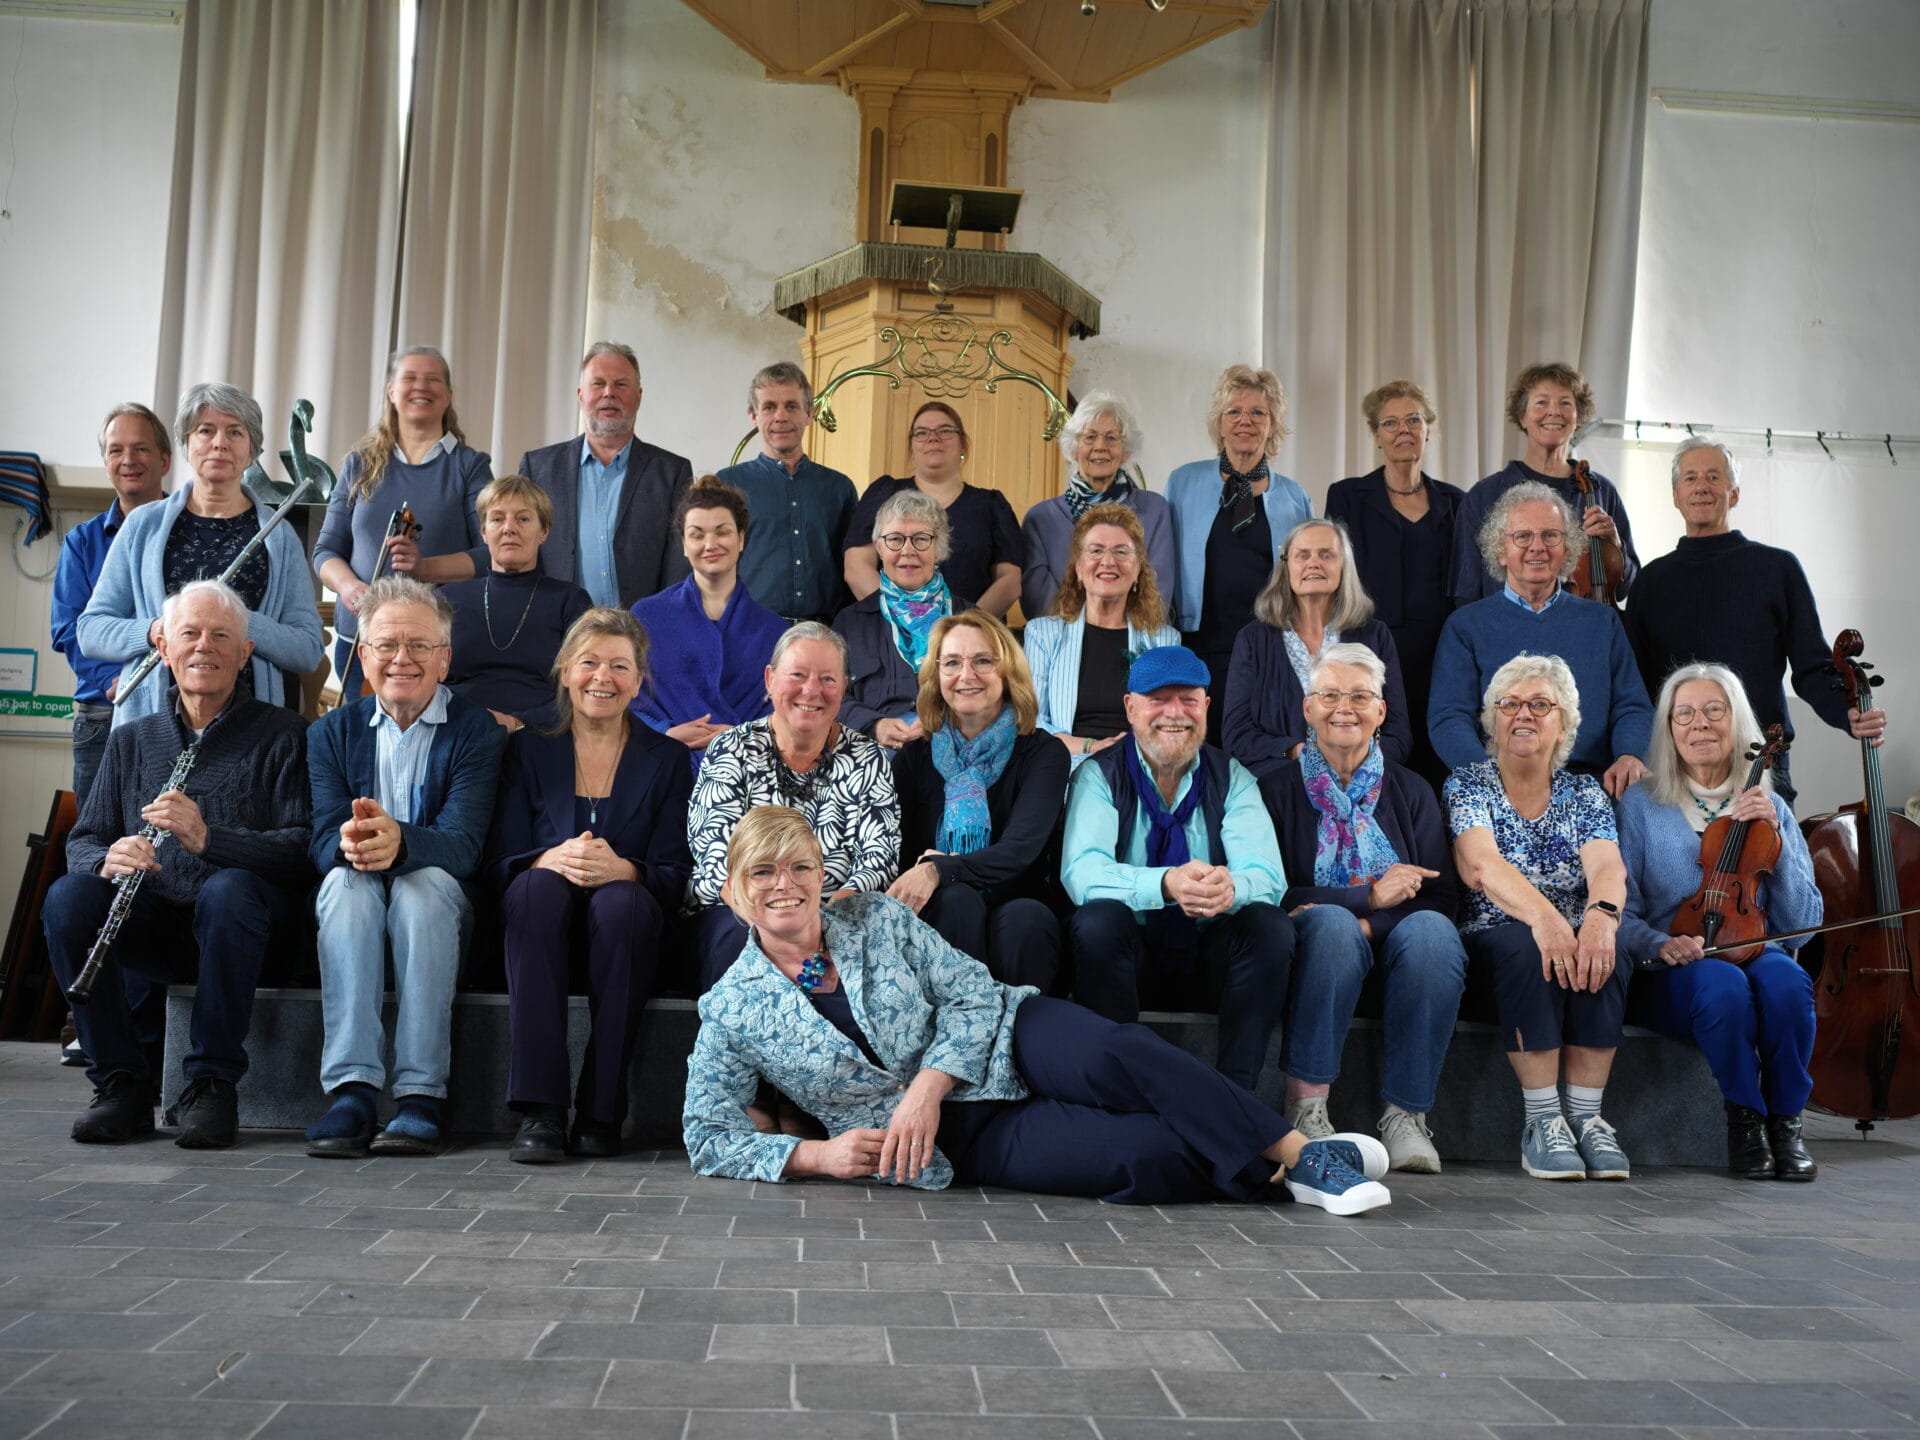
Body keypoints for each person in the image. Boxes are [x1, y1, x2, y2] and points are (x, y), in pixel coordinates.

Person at [683, 806, 1393, 1213]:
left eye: (801, 866)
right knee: (1137, 1157)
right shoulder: (731, 1011)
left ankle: (1309, 1158)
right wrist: (818, 1156)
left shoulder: (873, 918)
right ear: (737, 893)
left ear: (820, 874)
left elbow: (968, 988)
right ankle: (1281, 1173)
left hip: (1006, 1034)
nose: (787, 885)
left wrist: (930, 1085)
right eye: (765, 873)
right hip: (956, 1138)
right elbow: (707, 1135)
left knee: (1122, 1054)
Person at [43, 581, 311, 1149]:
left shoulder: (284, 733)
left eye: (221, 636)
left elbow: (299, 849)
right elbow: (84, 840)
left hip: (251, 931)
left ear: (245, 653)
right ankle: (121, 1081)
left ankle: (211, 1085)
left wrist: (209, 838)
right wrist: (106, 859)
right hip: (162, 928)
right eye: (189, 633)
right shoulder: (132, 739)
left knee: (230, 890)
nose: (203, 647)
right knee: (68, 897)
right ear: (163, 647)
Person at [304, 577, 507, 1158]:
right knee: (344, 884)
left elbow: (465, 845)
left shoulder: (476, 731)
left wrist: (399, 843)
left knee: (420, 888)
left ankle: (420, 1094)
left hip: (443, 906)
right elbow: (319, 840)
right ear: (362, 655)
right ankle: (352, 1090)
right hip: (358, 891)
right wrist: (351, 843)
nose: (402, 659)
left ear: (444, 659)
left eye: (420, 646)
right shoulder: (330, 733)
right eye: (387, 644)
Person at [489, 609, 694, 1163]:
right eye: (589, 662)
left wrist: (626, 870)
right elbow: (501, 859)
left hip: (629, 922)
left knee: (623, 902)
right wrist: (548, 859)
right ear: (564, 671)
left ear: (638, 680)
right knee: (536, 891)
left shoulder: (670, 759)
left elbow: (676, 874)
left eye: (619, 666)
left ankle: (602, 1111)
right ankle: (542, 1110)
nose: (602, 677)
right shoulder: (527, 747)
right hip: (541, 914)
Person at [1256, 644, 1466, 1172]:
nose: (1343, 707)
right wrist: (1364, 899)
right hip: (1316, 950)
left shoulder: (1412, 791)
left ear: (1381, 711)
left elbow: (1440, 896)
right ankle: (1307, 1110)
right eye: (1328, 694)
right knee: (1330, 924)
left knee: (1435, 934)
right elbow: (1268, 890)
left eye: (1359, 696)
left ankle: (1406, 1119)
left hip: (1400, 948)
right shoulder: (1273, 790)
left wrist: (1370, 923)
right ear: (1307, 709)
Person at [1617, 663, 1821, 1181]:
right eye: (1683, 714)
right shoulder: (1641, 805)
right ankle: (1745, 1121)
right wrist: (1661, 944)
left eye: (1714, 711)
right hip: (1673, 969)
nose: (1699, 725)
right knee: (1722, 983)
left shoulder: (1767, 805)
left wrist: (1777, 834)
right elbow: (1622, 910)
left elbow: (1802, 925)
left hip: (1757, 949)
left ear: (1738, 724)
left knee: (1788, 982)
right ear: (1668, 730)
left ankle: (1787, 1121)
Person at [1061, 645, 1293, 1093]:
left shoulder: (1233, 775)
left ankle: (1236, 1095)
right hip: (1127, 962)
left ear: (1206, 707)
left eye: (1188, 699)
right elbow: (1082, 872)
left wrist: (1231, 887)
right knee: (1097, 919)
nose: (1175, 713)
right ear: (1130, 708)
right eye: (1157, 699)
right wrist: (1165, 883)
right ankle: (1116, 1090)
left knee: (1268, 923)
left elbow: (1267, 875)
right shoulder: (1097, 775)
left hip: (1209, 958)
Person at [1447, 654, 1632, 1181]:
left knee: (1606, 953)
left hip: (1571, 937)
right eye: (1509, 704)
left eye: (1540, 705)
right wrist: (1548, 920)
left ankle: (1588, 1119)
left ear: (1564, 724)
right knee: (1528, 948)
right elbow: (1482, 865)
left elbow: (1607, 865)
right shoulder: (1468, 784)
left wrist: (1599, 918)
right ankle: (1542, 1123)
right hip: (1495, 938)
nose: (1522, 715)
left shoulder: (1584, 792)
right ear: (1492, 720)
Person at [1622, 440, 1887, 805]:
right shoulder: (1650, 582)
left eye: (1714, 477)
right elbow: (1633, 687)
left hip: (1760, 764)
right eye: (1690, 478)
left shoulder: (1777, 569)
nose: (1701, 486)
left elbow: (1812, 666)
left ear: (1734, 494)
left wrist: (1848, 713)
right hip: (1675, 772)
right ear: (1675, 496)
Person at [79, 383, 325, 726]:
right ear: (186, 443)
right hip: (153, 724)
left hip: (250, 730)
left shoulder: (280, 537)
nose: (219, 442)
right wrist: (156, 630)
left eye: (235, 432)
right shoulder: (142, 527)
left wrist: (238, 624)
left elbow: (308, 649)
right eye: (205, 430)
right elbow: (91, 630)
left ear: (252, 448)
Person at [685, 623, 899, 991]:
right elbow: (714, 852)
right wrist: (775, 921)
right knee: (745, 948)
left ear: (844, 687)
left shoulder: (868, 758)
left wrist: (820, 923)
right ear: (770, 679)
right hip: (740, 910)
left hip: (835, 913)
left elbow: (878, 858)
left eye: (827, 679)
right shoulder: (731, 750)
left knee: (851, 955)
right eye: (797, 675)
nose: (811, 690)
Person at [1429, 482, 1651, 797]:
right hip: (1497, 783)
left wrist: (1630, 753)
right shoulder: (1465, 626)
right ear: (1500, 551)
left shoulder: (1603, 622)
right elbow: (1448, 717)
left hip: (1589, 783)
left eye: (1550, 535)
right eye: (1522, 536)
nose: (1537, 547)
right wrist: (1488, 776)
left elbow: (1632, 707)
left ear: (1567, 549)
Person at [890, 613, 1070, 992]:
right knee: (957, 901)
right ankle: (960, 1038)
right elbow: (903, 854)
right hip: (945, 910)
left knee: (1026, 919)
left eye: (983, 661)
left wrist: (940, 868)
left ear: (1008, 672)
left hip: (1018, 901)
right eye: (952, 662)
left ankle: (1023, 1042)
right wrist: (940, 877)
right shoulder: (914, 757)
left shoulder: (1042, 753)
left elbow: (1019, 850)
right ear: (936, 676)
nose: (966, 675)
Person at [312, 345, 494, 691]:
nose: (420, 386)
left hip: (437, 646)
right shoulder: (359, 464)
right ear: (391, 392)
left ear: (448, 395)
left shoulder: (470, 467)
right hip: (364, 642)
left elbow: (490, 555)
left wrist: (424, 568)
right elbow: (326, 551)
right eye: (409, 378)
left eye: (432, 380)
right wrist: (349, 587)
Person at [1324, 380, 1467, 783]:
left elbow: (1466, 584)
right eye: (1390, 423)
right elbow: (1336, 581)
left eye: (1413, 420)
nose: (1403, 430)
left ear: (1428, 429)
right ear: (1376, 434)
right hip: (1368, 648)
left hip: (1440, 653)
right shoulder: (1347, 496)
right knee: (1379, 753)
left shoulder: (1456, 502)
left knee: (1435, 757)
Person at [1164, 365, 1313, 739]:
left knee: (1258, 745)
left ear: (1272, 424)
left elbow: (1308, 581)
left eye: (1258, 412)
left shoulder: (1295, 497)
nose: (1245, 421)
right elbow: (1162, 564)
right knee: (1200, 747)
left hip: (1270, 648)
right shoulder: (1183, 482)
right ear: (1219, 422)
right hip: (1199, 644)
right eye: (1234, 411)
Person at [1223, 518, 1413, 779]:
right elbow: (1236, 735)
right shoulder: (1253, 639)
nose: (1314, 563)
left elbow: (1398, 735)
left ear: (1344, 566)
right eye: (1303, 555)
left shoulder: (1375, 635)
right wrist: (1297, 752)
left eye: (1327, 555)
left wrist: (1353, 767)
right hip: (1277, 781)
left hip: (1363, 781)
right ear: (1286, 566)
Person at [53, 403, 172, 810]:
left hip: (177, 715)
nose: (128, 460)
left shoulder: (192, 534)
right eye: (116, 450)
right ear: (105, 463)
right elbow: (69, 630)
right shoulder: (81, 543)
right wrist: (114, 678)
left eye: (140, 449)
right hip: (102, 717)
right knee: (98, 847)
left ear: (165, 460)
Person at [517, 342, 694, 609]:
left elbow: (677, 566)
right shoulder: (538, 468)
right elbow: (522, 553)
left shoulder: (672, 473)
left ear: (639, 396)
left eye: (621, 384)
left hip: (642, 633)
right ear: (580, 395)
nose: (609, 393)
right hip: (557, 630)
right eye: (598, 384)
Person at [1450, 361, 1639, 604]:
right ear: (1522, 416)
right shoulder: (1484, 495)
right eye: (1541, 402)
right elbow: (1465, 595)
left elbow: (1627, 588)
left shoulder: (1602, 491)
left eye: (1565, 403)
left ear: (1578, 417)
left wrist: (1616, 544)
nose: (1554, 411)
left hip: (1585, 634)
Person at [629, 478, 786, 766]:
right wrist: (665, 733)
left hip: (748, 771)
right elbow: (625, 700)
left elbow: (787, 715)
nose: (710, 544)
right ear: (685, 545)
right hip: (662, 766)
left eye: (722, 532)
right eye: (697, 535)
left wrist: (741, 737)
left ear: (740, 539)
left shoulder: (776, 631)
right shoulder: (646, 616)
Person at [1024, 504, 1180, 769]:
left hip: (1140, 765)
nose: (1108, 561)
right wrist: (1092, 747)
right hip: (1065, 764)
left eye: (1121, 552)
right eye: (1096, 550)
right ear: (1078, 569)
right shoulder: (1042, 634)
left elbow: (1169, 723)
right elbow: (1031, 721)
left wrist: (1129, 750)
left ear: (1138, 572)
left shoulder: (1165, 641)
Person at [842, 402, 1021, 618]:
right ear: (911, 447)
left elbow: (1009, 581)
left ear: (963, 444)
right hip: (892, 636)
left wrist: (965, 628)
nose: (932, 438)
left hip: (972, 641)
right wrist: (902, 620)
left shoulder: (991, 504)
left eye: (945, 431)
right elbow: (856, 566)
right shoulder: (884, 493)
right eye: (921, 432)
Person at [442, 474, 591, 732]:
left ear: (544, 531)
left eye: (523, 519)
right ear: (484, 532)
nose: (509, 528)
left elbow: (582, 687)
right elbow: (427, 681)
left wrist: (517, 723)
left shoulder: (571, 601)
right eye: (497, 519)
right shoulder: (446, 599)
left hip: (541, 736)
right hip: (457, 733)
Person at [714, 361, 857, 623]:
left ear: (809, 413)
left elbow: (852, 567)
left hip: (823, 633)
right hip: (750, 631)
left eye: (791, 406)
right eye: (769, 407)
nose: (781, 416)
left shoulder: (839, 488)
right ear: (753, 416)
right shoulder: (727, 485)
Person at [833, 490, 971, 748]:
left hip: (957, 746)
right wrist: (874, 724)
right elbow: (830, 693)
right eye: (895, 539)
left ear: (938, 547)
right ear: (879, 548)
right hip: (872, 752)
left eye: (921, 539)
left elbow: (1000, 695)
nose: (908, 550)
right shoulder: (850, 622)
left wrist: (944, 721)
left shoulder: (973, 621)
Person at [1021, 392, 1175, 620]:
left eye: (1112, 438)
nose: (1100, 446)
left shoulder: (1154, 510)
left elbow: (1158, 590)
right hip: (1061, 645)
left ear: (1126, 451)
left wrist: (1115, 630)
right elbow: (1038, 601)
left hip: (1135, 642)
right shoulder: (1040, 518)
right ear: (1074, 449)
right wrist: (1090, 632)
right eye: (1089, 437)